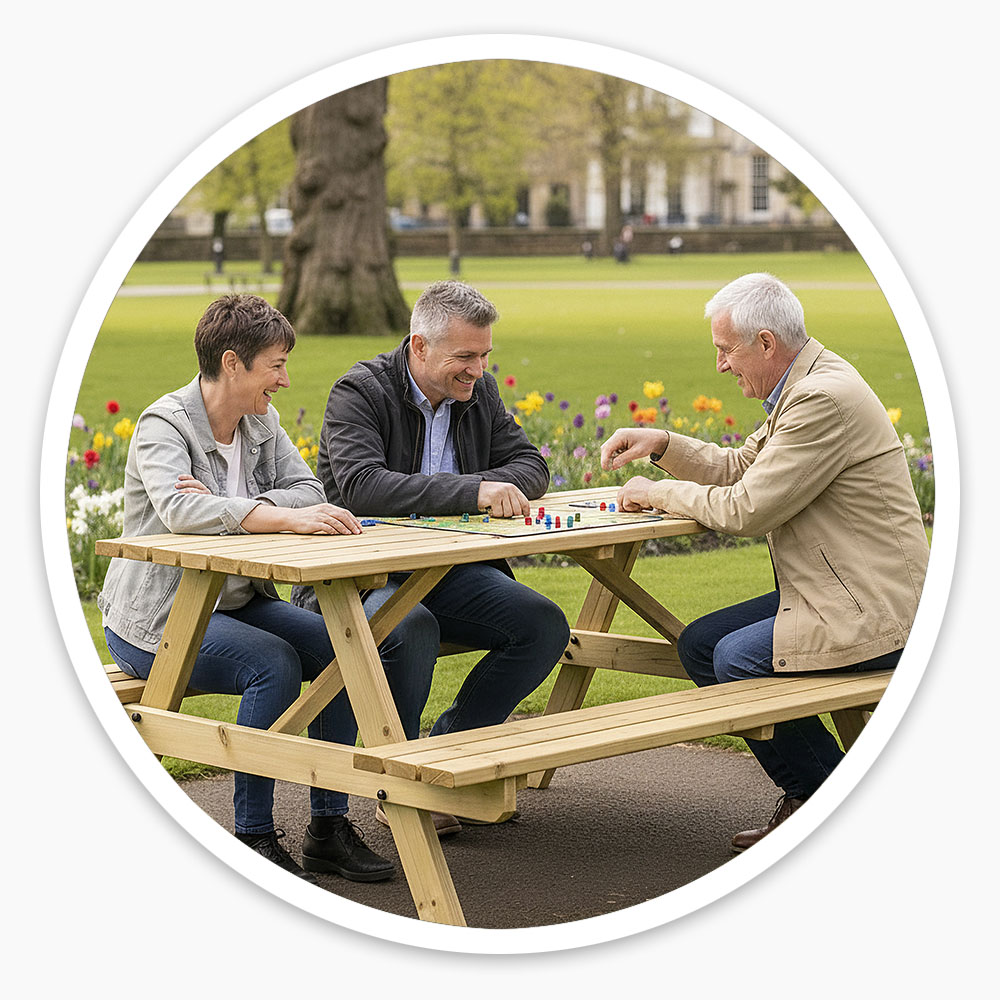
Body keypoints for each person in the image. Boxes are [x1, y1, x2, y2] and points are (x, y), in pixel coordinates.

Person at [600, 272, 929, 850]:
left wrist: (653, 493)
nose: (722, 366)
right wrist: (663, 445)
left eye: (726, 350)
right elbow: (740, 468)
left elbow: (746, 508)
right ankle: (812, 792)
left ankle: (827, 803)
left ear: (767, 343)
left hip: (875, 608)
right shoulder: (803, 386)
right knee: (701, 644)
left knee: (735, 659)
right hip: (837, 589)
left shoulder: (821, 399)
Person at [98, 293, 395, 884]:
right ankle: (252, 837)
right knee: (274, 664)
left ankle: (327, 829)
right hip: (156, 619)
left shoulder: (261, 421)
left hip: (241, 602)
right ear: (233, 363)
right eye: (276, 365)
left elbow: (311, 490)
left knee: (349, 646)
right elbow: (181, 512)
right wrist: (274, 515)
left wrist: (233, 507)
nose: (285, 379)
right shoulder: (164, 425)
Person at [291, 280, 570, 835]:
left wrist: (488, 484)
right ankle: (406, 777)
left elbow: (531, 466)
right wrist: (473, 493)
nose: (478, 370)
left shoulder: (477, 392)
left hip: (445, 573)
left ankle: (445, 756)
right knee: (408, 626)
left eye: (485, 355)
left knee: (542, 625)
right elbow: (363, 485)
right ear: (419, 347)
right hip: (355, 578)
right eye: (465, 357)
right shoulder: (359, 391)